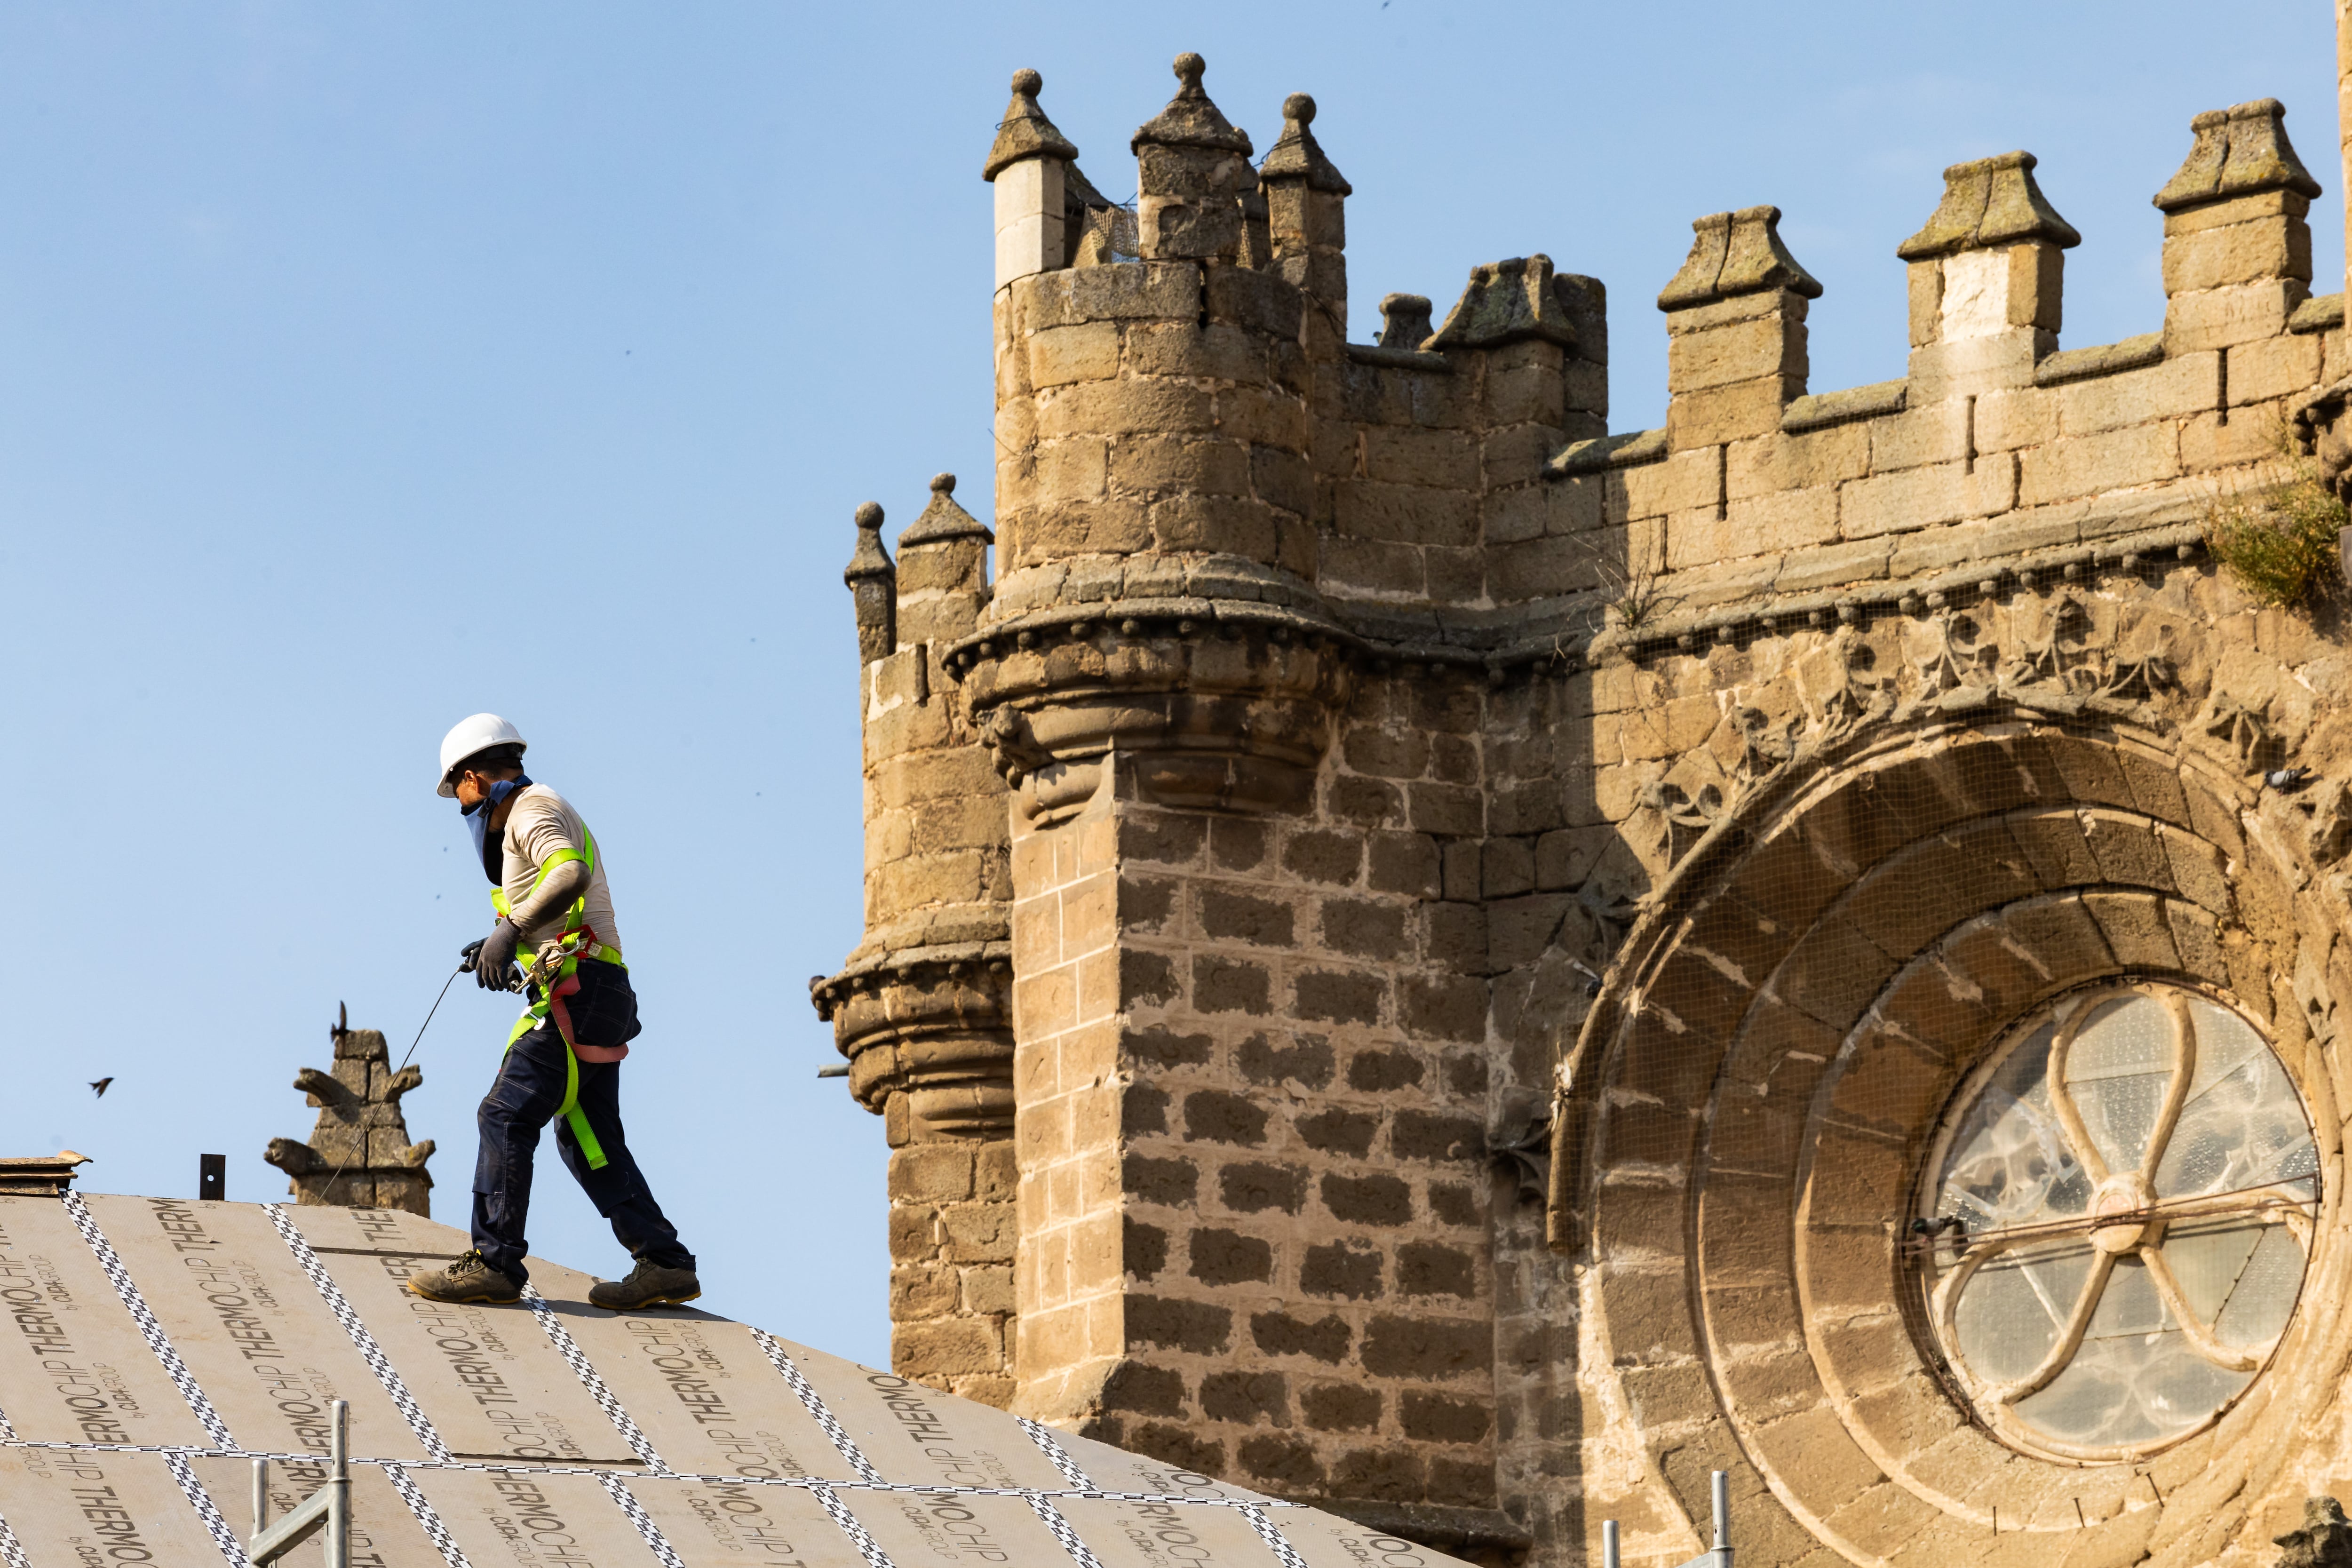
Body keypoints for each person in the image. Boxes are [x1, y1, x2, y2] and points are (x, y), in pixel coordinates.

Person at [405, 713, 701, 1310]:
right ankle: (664, 1263)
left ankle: (494, 1263)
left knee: (505, 1114)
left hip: (581, 990)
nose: (460, 808)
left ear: (470, 778)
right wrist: (504, 944)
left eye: (456, 794)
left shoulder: (529, 810)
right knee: (588, 1136)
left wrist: (510, 927)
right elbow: (560, 906)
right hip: (596, 990)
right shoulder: (532, 808)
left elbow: (569, 873)